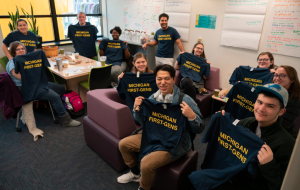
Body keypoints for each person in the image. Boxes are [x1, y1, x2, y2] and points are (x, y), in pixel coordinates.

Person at [117, 64, 205, 190]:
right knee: (123, 144)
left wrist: (191, 116)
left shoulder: (185, 100)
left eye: (166, 78)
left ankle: (143, 188)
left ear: (173, 79)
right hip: (155, 135)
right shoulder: (153, 98)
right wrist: (137, 109)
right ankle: (135, 173)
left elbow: (200, 128)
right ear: (156, 80)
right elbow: (143, 122)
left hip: (174, 142)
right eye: (159, 79)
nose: (162, 82)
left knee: (146, 164)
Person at [212, 83, 295, 190]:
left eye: (270, 106)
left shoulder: (287, 144)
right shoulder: (244, 123)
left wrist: (269, 165)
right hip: (230, 179)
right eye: (259, 102)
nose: (261, 109)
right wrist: (222, 122)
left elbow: (284, 185)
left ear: (281, 112)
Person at [6, 41, 81, 127]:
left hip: (36, 83)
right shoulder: (12, 63)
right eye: (18, 49)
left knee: (60, 88)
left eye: (22, 48)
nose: (21, 51)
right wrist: (36, 72)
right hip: (27, 88)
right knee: (55, 96)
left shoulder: (27, 60)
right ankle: (66, 121)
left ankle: (58, 108)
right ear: (13, 52)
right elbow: (23, 78)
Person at [273, 65, 300, 138]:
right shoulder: (273, 91)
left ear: (292, 80)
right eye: (275, 75)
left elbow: (282, 124)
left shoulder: (295, 100)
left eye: (282, 75)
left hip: (282, 136)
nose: (277, 78)